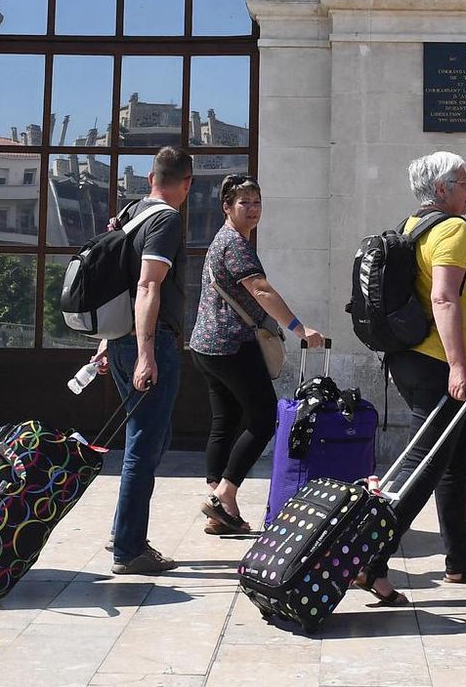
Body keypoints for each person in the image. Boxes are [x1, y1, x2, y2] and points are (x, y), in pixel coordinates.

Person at [360, 151, 466, 606]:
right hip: (439, 364)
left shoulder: (410, 227)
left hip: (411, 359)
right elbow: (443, 298)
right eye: (464, 182)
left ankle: (460, 558)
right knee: (423, 467)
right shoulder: (453, 228)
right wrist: (459, 365)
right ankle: (369, 562)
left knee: (456, 461)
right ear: (443, 190)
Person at [189, 174, 326, 535]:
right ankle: (225, 494)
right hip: (232, 346)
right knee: (264, 419)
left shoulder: (224, 240)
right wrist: (300, 328)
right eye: (243, 203)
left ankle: (219, 506)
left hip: (206, 346)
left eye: (256, 203)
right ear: (227, 208)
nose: (252, 209)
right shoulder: (234, 245)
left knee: (226, 419)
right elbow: (261, 290)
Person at [96, 145, 192, 576]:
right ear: (186, 184)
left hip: (120, 341)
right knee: (143, 443)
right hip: (148, 346)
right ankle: (130, 548)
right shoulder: (166, 220)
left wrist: (107, 340)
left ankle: (122, 530)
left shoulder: (131, 211)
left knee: (154, 435)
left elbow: (115, 285)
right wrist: (146, 354)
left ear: (151, 177)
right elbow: (147, 287)